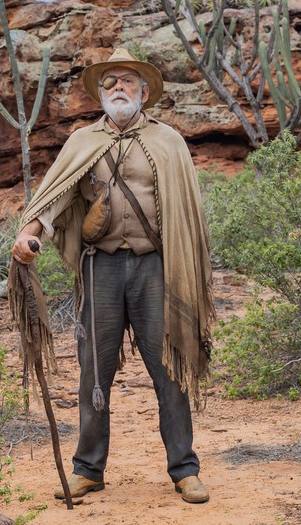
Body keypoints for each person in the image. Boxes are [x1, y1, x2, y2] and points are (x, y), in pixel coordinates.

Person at [11, 48, 215, 504]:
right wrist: (28, 231)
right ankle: (88, 470)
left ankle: (184, 469)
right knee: (93, 372)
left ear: (144, 92)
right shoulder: (83, 141)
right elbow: (56, 194)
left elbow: (189, 211)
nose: (118, 88)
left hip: (155, 268)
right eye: (110, 83)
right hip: (99, 267)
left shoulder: (169, 141)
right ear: (101, 93)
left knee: (169, 370)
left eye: (127, 81)